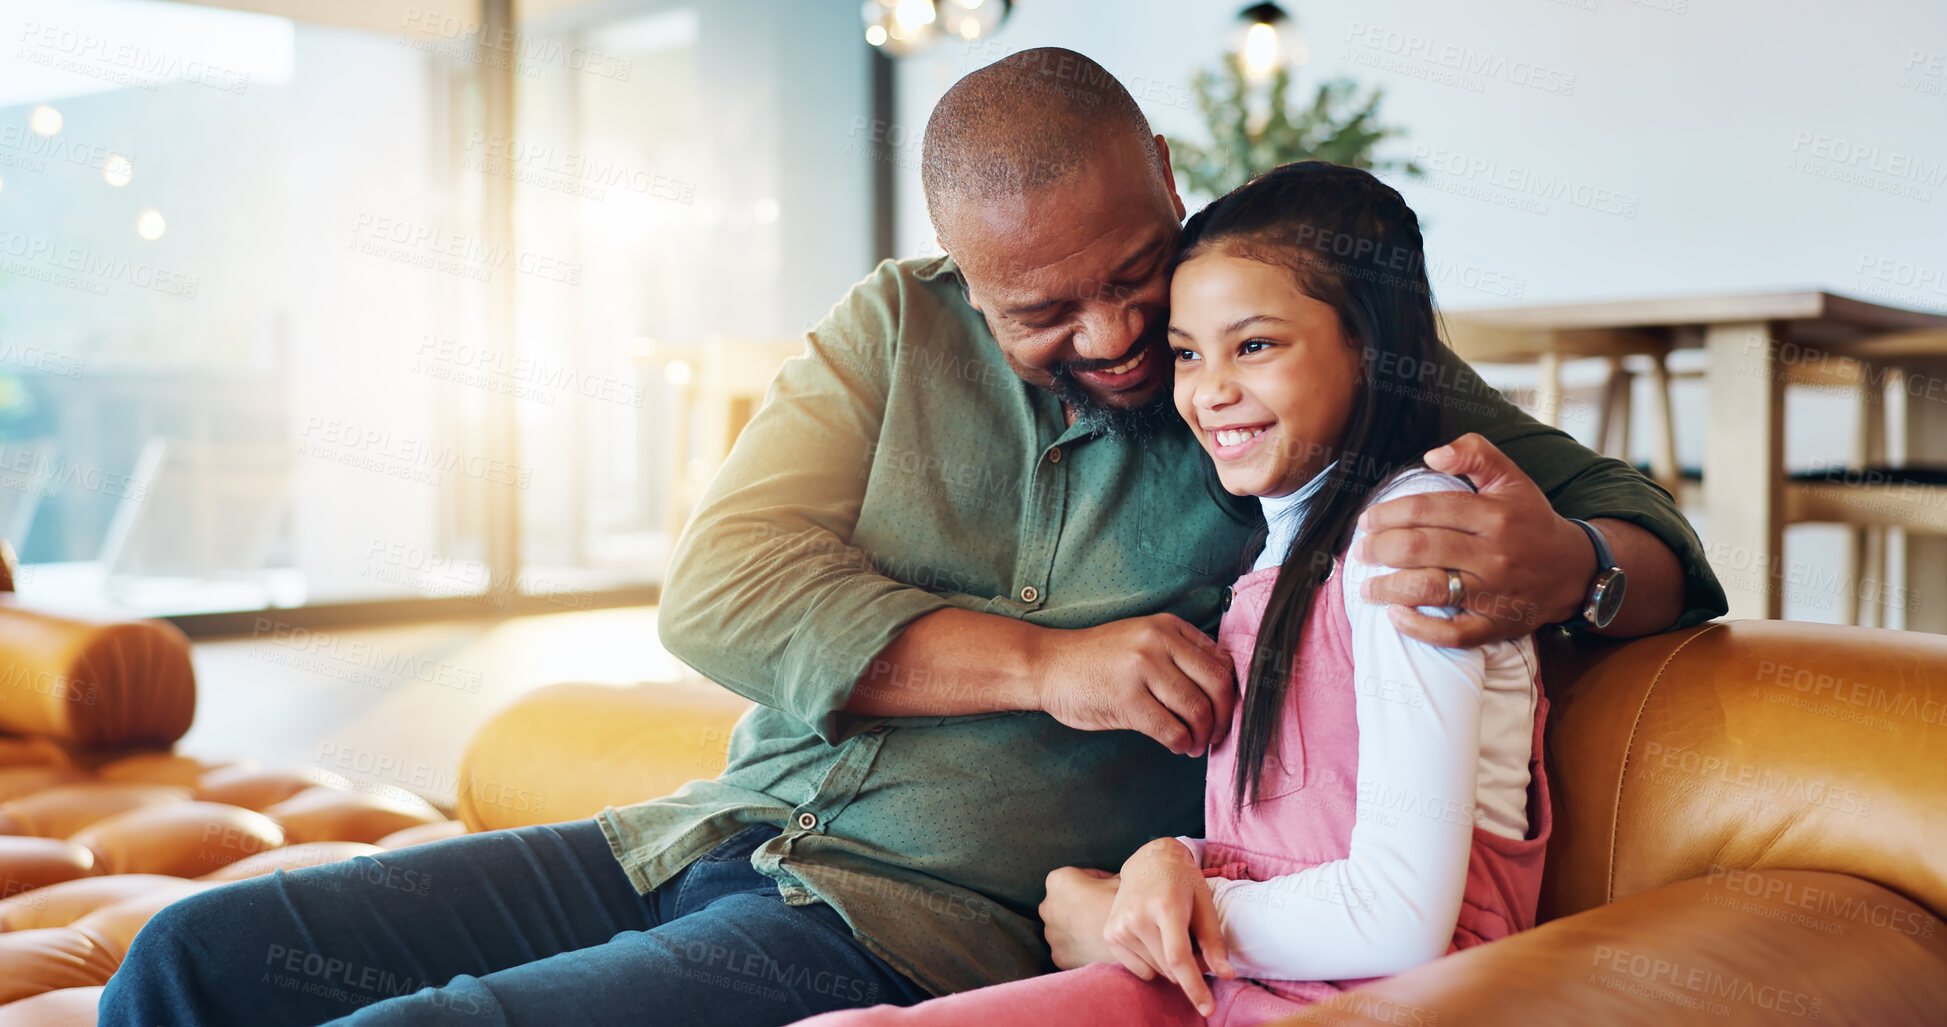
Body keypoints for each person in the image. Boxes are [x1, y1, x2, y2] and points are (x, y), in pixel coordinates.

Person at [99, 49, 1723, 1027]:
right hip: (703, 827)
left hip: (904, 917)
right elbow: (720, 588)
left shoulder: (1287, 363)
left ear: (1166, 181)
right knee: (194, 955)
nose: (1110, 333)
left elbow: (1637, 526)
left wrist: (1563, 570)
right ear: (958, 271)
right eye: (1041, 307)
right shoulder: (893, 330)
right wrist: (1052, 663)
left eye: (1129, 274)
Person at [799, 161, 1551, 1027]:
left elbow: (1399, 914)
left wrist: (1147, 915)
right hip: (1247, 983)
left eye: (1255, 345)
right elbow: (1286, 846)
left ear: (1371, 348)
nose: (1209, 388)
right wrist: (1169, 862)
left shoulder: (1413, 540)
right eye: (1187, 353)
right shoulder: (1279, 558)